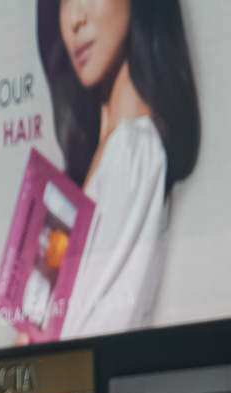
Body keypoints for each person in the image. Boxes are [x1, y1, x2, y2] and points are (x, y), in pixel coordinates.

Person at [36, 0, 201, 338]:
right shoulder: (107, 155)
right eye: (63, 2)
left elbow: (90, 343)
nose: (75, 19)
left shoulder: (133, 153)